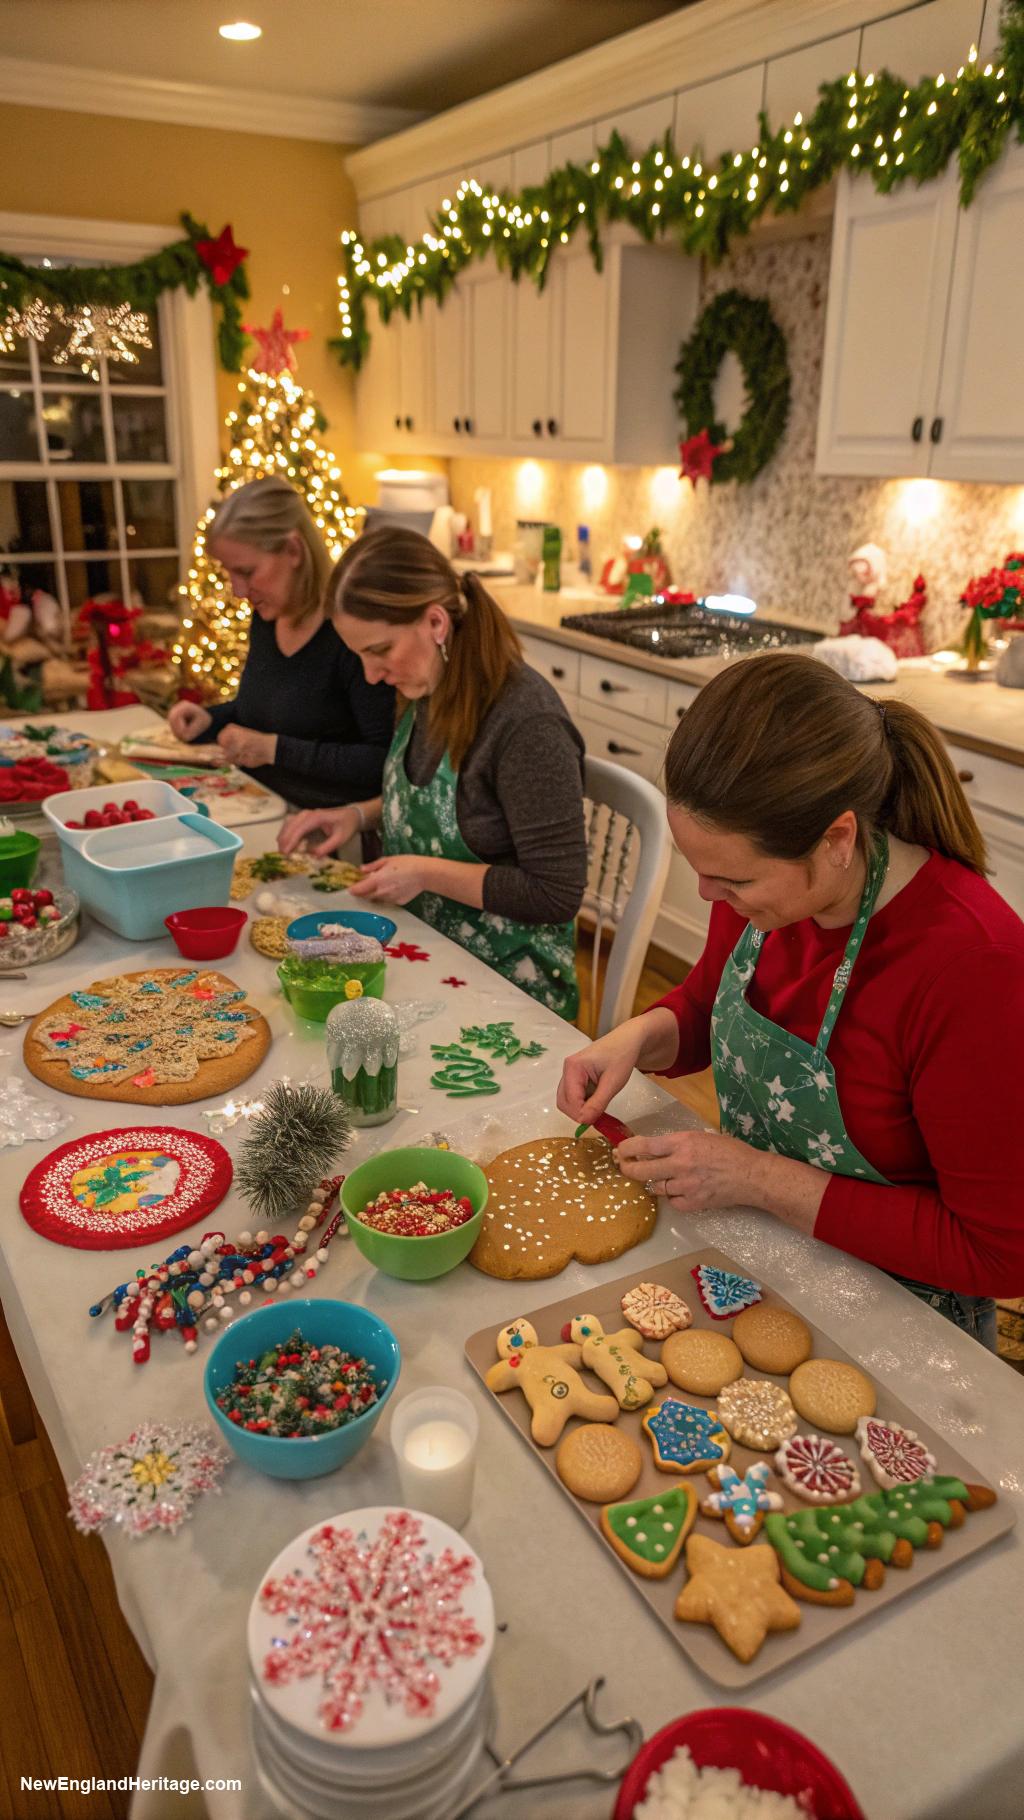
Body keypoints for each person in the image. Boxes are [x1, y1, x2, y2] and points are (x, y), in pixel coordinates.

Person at [558, 651, 1024, 1347]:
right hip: (764, 1256)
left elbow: (997, 1253)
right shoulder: (759, 893)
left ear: (837, 839)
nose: (709, 896)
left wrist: (757, 1178)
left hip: (908, 1321)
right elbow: (709, 1004)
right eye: (700, 872)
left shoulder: (974, 968)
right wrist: (638, 1037)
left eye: (733, 881)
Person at [279, 528, 586, 1017]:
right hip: (427, 951)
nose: (370, 675)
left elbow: (556, 893)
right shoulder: (430, 686)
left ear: (436, 623)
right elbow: (449, 808)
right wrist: (356, 816)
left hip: (510, 990)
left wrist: (424, 873)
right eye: (359, 656)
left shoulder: (527, 723)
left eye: (379, 650)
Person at [167, 477, 394, 808]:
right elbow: (271, 712)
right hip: (260, 805)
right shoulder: (267, 619)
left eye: (247, 572)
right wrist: (211, 720)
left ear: (294, 550)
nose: (238, 591)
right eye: (230, 574)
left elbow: (383, 763)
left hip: (326, 821)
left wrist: (275, 750)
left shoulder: (351, 630)